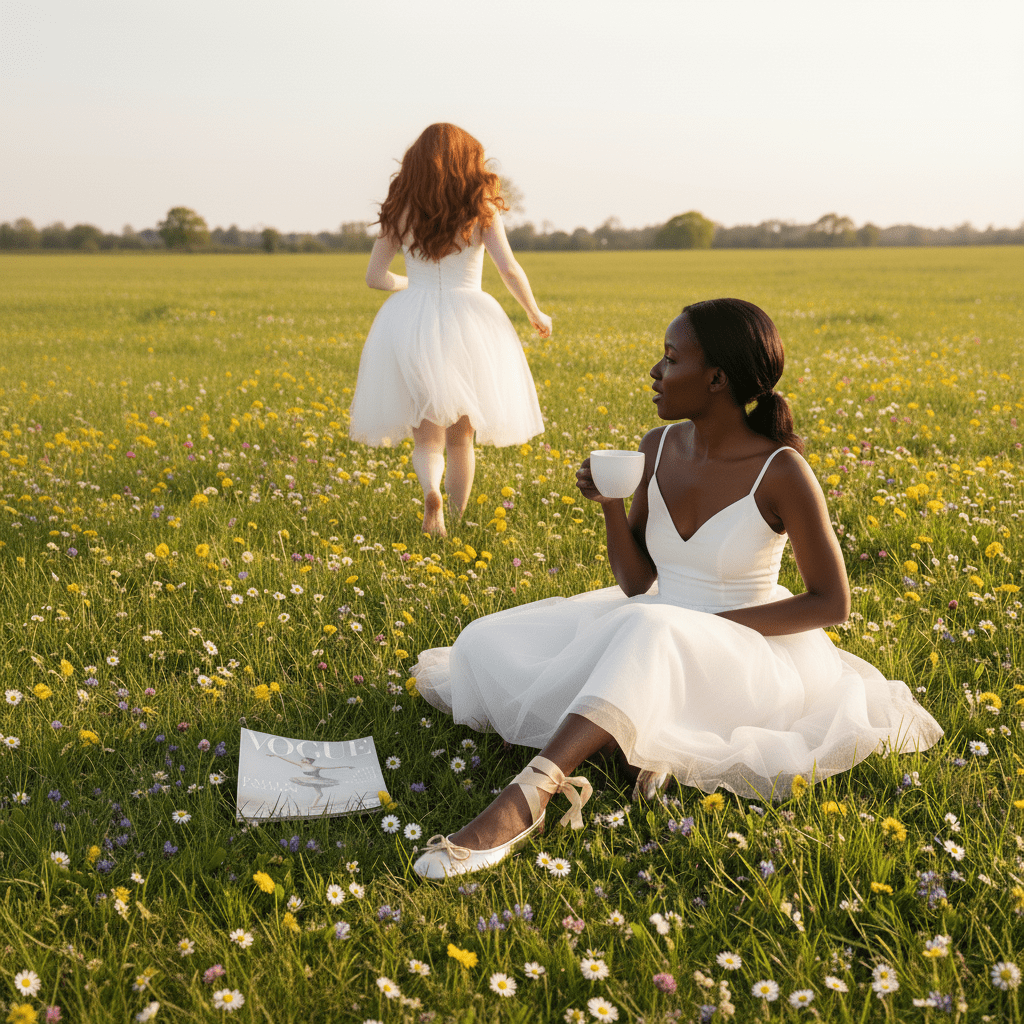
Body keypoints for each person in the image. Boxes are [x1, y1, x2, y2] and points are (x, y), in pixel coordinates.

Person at [409, 297, 943, 879]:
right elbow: (638, 584)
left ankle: (529, 797)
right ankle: (642, 740)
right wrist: (610, 505)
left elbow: (832, 603)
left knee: (652, 631)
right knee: (485, 641)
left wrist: (709, 628)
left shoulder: (782, 470)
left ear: (716, 378)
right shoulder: (656, 447)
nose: (655, 373)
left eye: (670, 358)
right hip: (653, 620)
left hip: (750, 654)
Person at [348, 123, 551, 537]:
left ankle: (430, 494)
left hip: (412, 320)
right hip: (470, 317)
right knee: (462, 439)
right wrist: (534, 311)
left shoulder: (400, 210)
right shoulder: (483, 210)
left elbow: (374, 277)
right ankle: (455, 519)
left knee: (426, 437)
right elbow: (508, 268)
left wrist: (409, 284)